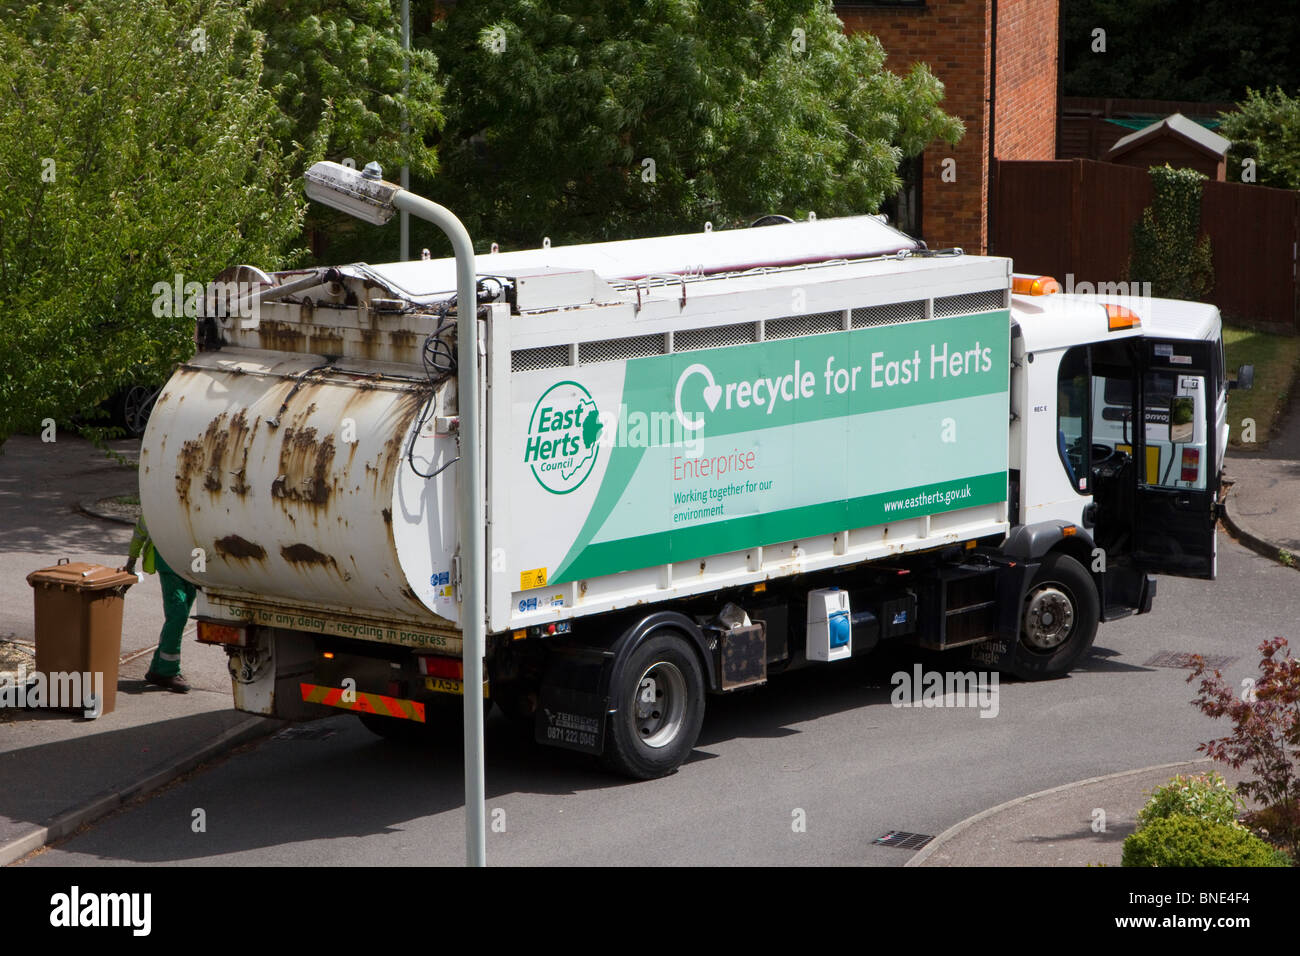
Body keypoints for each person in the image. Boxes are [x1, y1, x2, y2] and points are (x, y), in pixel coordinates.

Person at [125, 516, 196, 693]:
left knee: (181, 614)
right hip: (168, 559)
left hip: (195, 558)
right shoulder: (159, 497)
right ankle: (168, 671)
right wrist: (132, 559)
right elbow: (142, 529)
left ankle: (158, 668)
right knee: (178, 615)